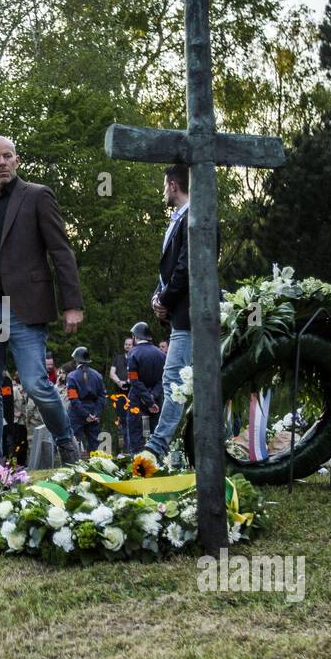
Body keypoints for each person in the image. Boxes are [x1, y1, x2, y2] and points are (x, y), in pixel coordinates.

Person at [0, 135, 84, 465]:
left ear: (16, 161)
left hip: (24, 309)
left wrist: (72, 304)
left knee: (35, 383)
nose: (1, 162)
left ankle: (66, 443)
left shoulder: (37, 196)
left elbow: (61, 251)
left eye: (7, 156)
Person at [140, 165, 196, 467]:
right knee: (186, 382)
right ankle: (194, 446)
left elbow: (186, 267)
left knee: (174, 379)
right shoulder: (178, 219)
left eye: (165, 185)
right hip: (177, 315)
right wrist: (156, 298)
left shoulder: (194, 216)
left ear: (173, 185)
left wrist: (166, 299)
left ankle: (157, 448)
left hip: (191, 315)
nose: (163, 191)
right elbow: (168, 270)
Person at [125, 322, 165, 453]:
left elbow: (134, 380)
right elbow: (162, 379)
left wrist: (146, 398)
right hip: (156, 399)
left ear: (135, 337)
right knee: (156, 432)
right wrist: (152, 397)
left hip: (137, 398)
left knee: (136, 433)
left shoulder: (133, 353)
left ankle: (136, 462)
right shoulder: (161, 354)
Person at [66, 346, 105, 453]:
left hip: (77, 414)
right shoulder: (98, 375)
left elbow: (73, 399)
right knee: (95, 445)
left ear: (77, 359)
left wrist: (86, 415)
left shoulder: (71, 377)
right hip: (94, 411)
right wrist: (95, 414)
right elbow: (102, 397)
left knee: (75, 444)